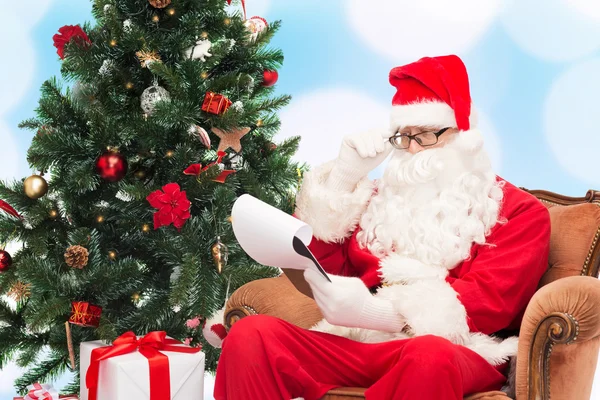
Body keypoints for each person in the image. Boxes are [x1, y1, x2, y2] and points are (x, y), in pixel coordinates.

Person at [212, 54, 551, 400]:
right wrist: (345, 178)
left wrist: (376, 312)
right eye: (403, 137)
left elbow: (487, 306)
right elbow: (329, 266)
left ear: (463, 135)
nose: (414, 150)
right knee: (251, 336)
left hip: (460, 351)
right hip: (361, 344)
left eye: (426, 135)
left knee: (429, 355)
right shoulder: (381, 199)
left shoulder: (519, 213)